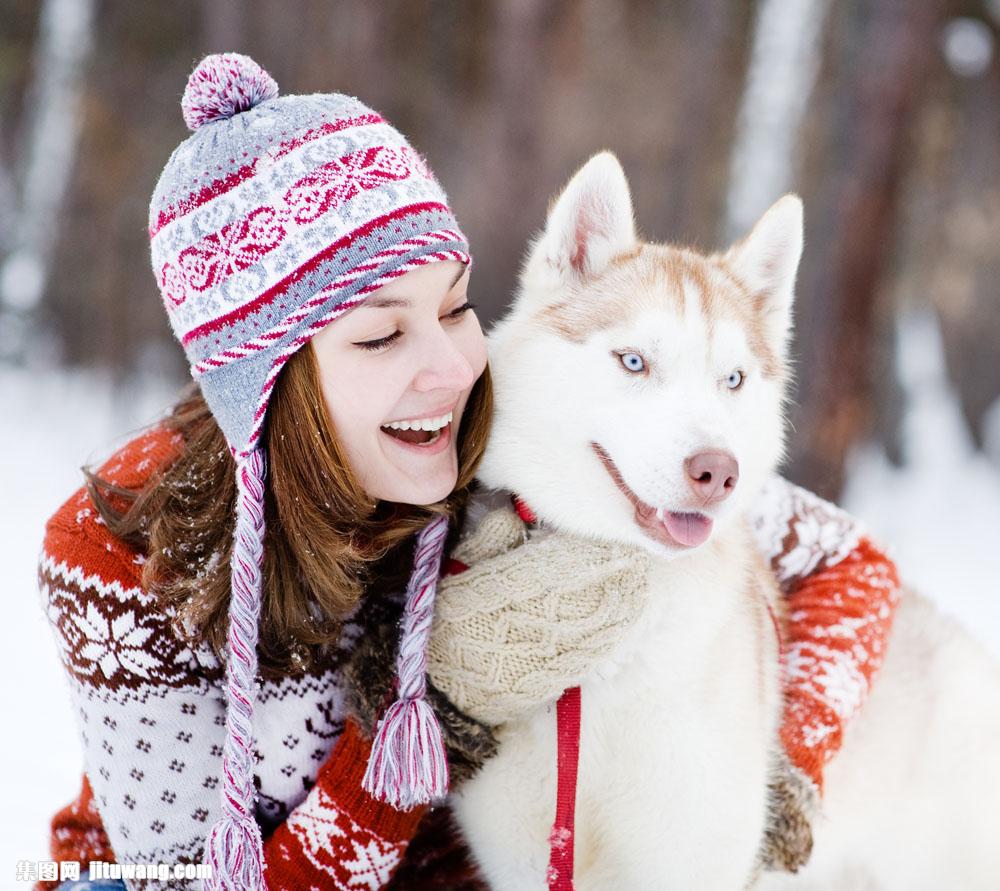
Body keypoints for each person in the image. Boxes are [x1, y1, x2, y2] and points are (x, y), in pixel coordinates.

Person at [39, 54, 900, 891]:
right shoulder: (116, 550)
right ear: (267, 379)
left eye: (455, 307)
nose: (453, 368)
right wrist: (433, 706)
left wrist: (780, 760)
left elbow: (849, 563)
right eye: (381, 335)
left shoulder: (506, 435)